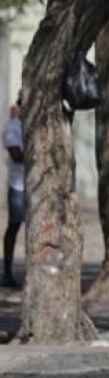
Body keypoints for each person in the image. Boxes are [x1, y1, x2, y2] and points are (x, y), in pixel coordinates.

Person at [3, 96, 24, 289]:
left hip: (35, 188)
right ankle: (7, 270)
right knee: (14, 226)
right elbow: (16, 155)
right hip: (19, 186)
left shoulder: (35, 125)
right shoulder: (13, 128)